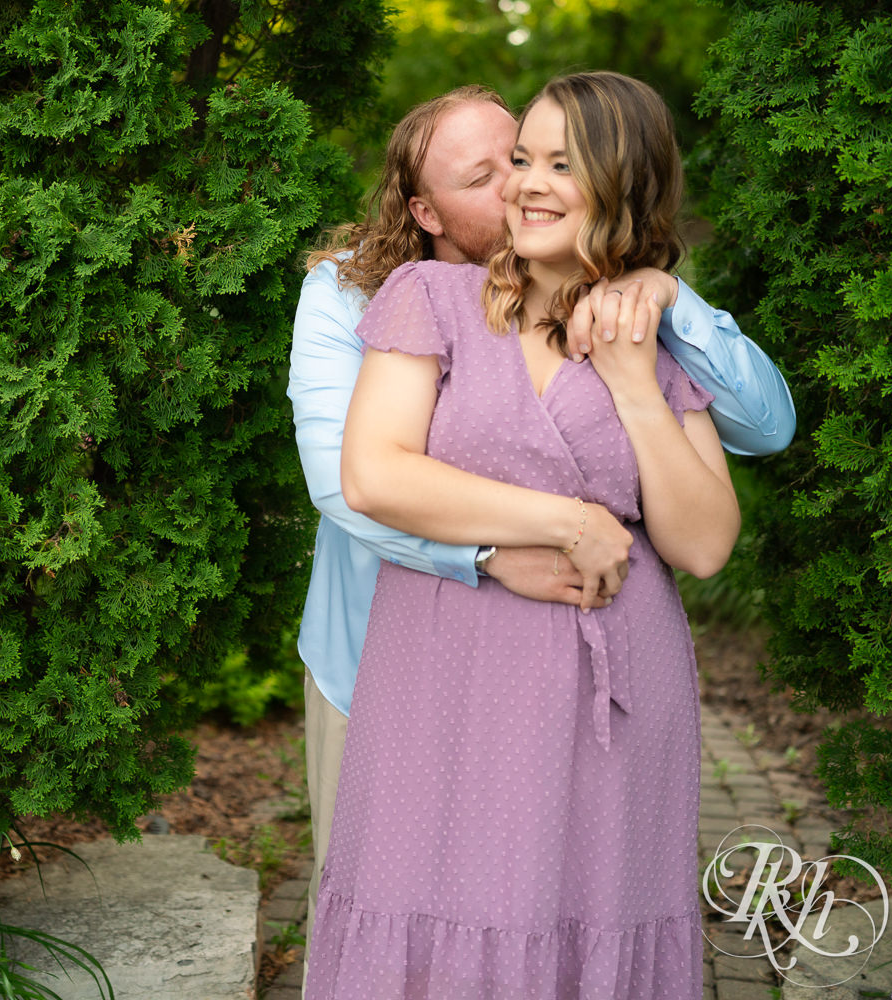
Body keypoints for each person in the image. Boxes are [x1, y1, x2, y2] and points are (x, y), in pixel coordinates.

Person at [288, 85, 796, 972]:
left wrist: (637, 381)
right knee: (422, 921)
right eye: (520, 162)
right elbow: (370, 474)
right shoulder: (425, 298)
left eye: (559, 163)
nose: (526, 183)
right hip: (441, 678)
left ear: (622, 186)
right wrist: (574, 523)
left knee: (588, 933)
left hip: (614, 699)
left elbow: (707, 543)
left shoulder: (651, 327)